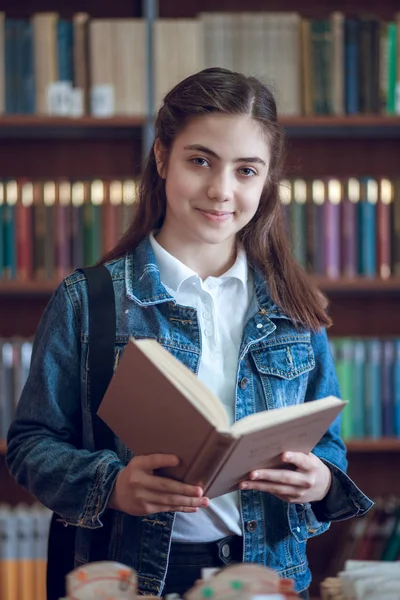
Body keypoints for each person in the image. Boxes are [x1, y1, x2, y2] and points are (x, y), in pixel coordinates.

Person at [6, 67, 372, 599]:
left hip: (265, 575)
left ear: (267, 178)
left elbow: (326, 446)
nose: (221, 191)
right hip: (130, 576)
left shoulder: (291, 304)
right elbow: (30, 444)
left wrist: (319, 481)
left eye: (246, 171)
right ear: (162, 158)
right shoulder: (88, 299)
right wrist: (113, 485)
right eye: (200, 161)